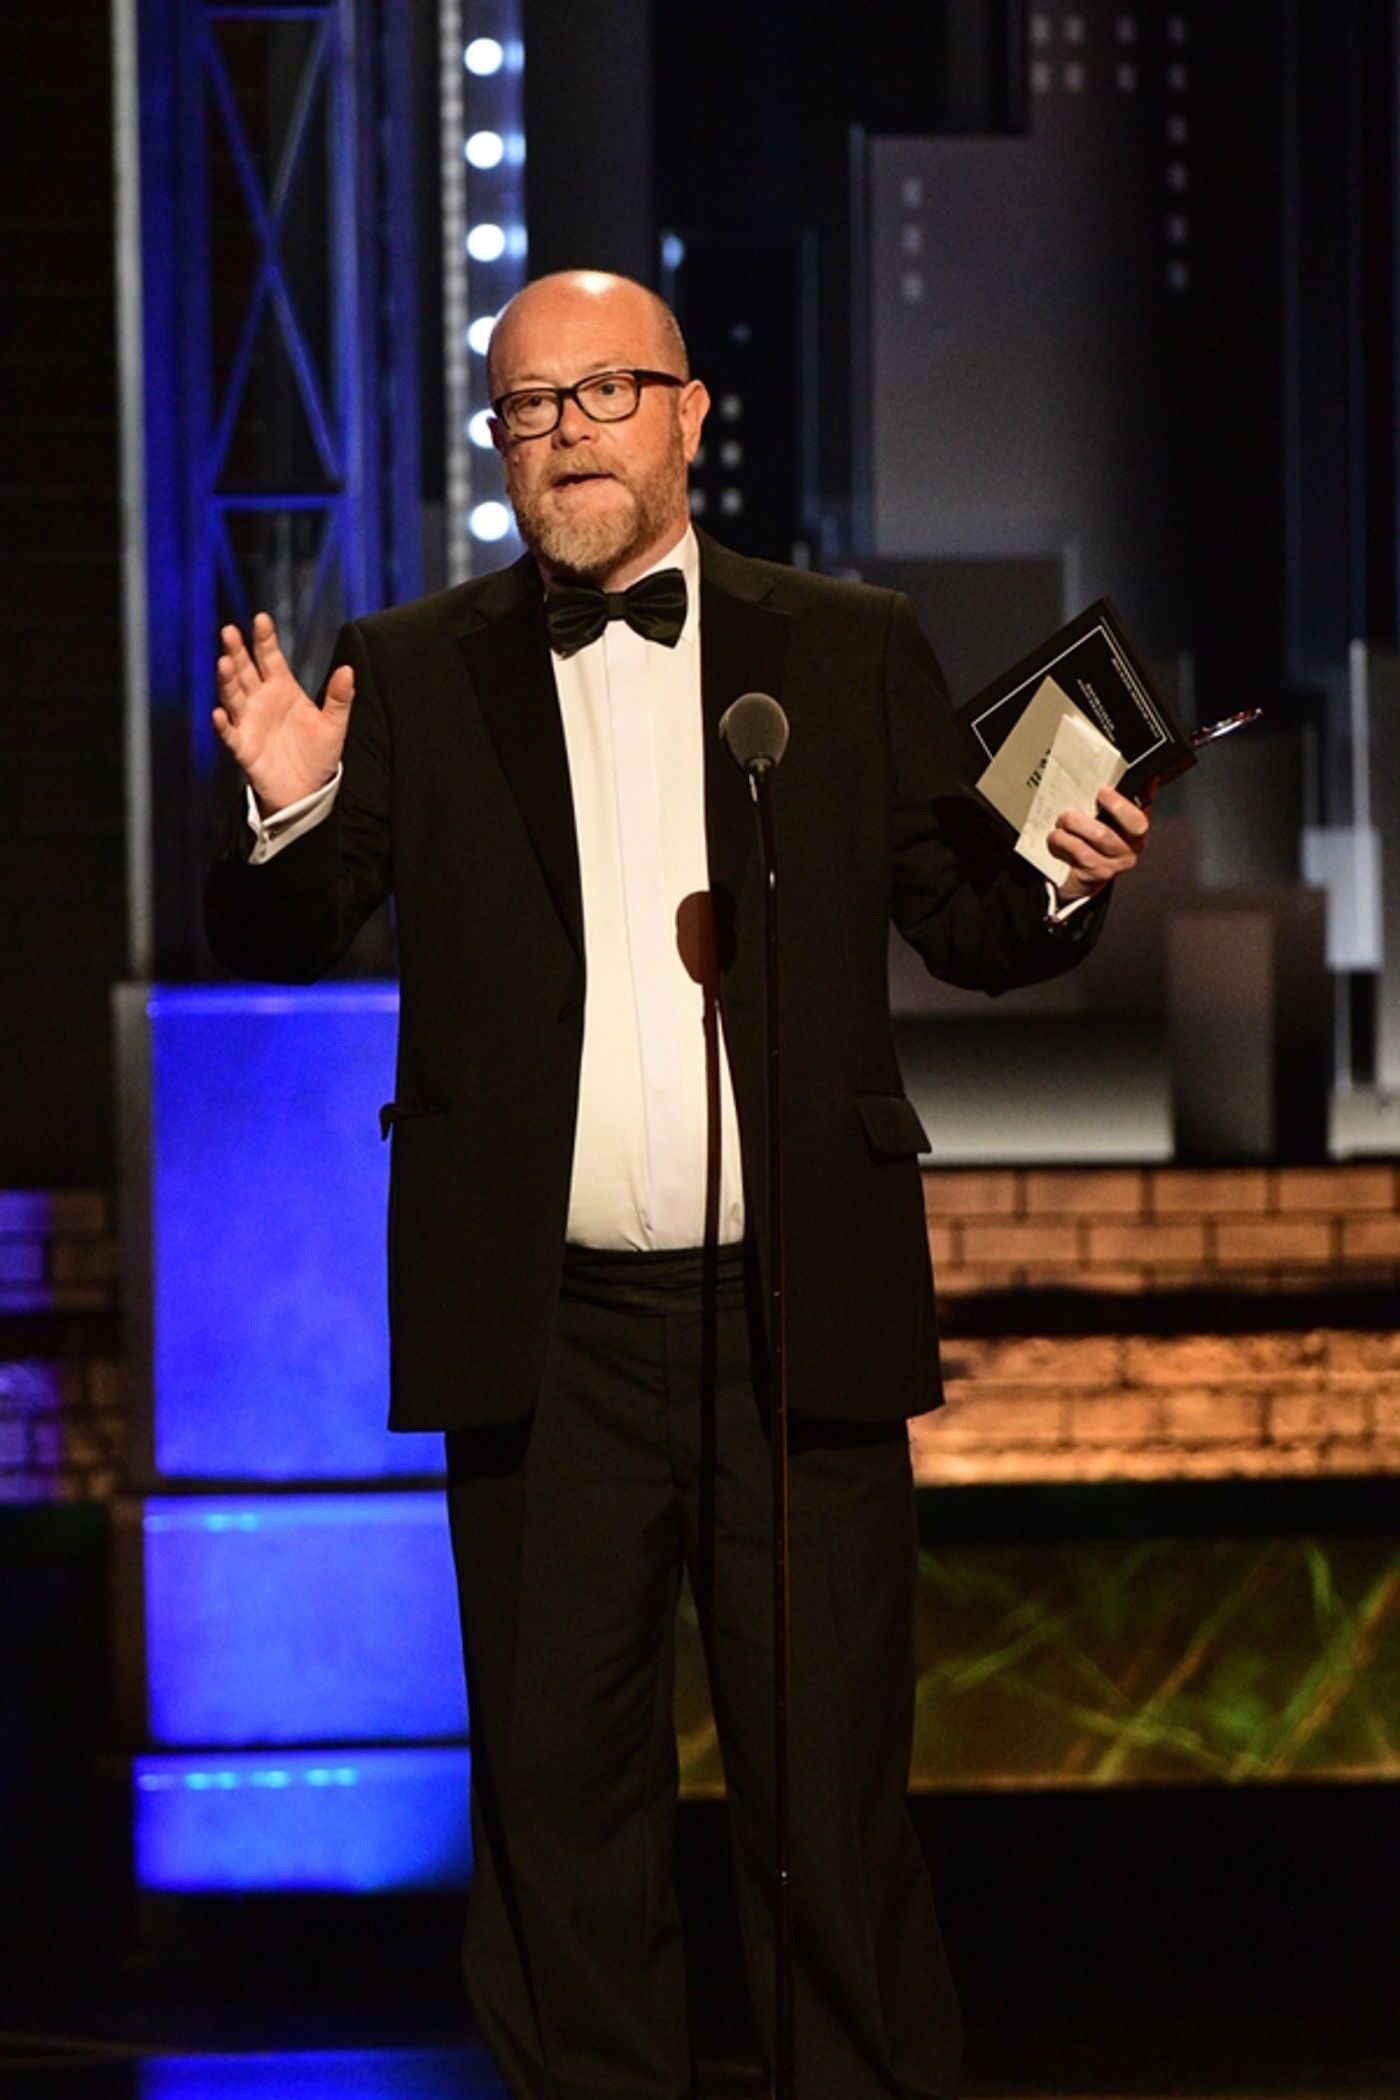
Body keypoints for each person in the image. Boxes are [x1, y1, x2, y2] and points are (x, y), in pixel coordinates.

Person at [205, 270, 1149, 2100]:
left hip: (793, 1331)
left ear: (691, 415)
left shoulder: (845, 644)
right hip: (547, 1342)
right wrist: (293, 805)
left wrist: (1071, 873)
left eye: (602, 396)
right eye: (525, 410)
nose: (562, 437)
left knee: (828, 1816)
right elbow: (294, 922)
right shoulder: (412, 669)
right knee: (564, 1818)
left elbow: (965, 917)